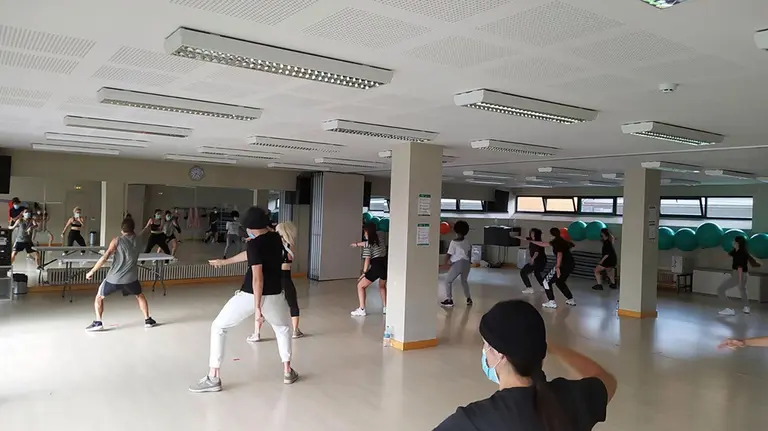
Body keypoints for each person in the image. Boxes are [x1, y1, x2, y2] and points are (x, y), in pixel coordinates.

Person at [434, 300, 615, 430]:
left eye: (485, 344)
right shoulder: (573, 399)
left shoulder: (473, 421)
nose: (484, 351)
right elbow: (606, 379)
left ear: (499, 354)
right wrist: (556, 348)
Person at [189, 206, 298, 393]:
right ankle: (288, 371)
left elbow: (257, 278)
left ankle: (213, 377)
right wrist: (225, 261)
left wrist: (257, 309)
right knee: (283, 329)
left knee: (219, 327)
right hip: (275, 295)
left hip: (251, 295)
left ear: (250, 227)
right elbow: (251, 255)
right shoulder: (275, 238)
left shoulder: (254, 244)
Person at [84, 217, 156, 331]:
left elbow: (105, 257)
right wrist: (148, 224)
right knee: (139, 295)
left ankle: (98, 322)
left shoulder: (117, 240)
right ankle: (148, 320)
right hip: (131, 279)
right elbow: (145, 231)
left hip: (114, 278)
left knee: (99, 297)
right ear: (133, 229)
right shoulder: (139, 239)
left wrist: (91, 271)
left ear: (122, 230)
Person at [248, 221, 303, 341]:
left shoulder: (272, 245)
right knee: (293, 304)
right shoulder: (290, 246)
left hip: (273, 277)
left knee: (262, 304)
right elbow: (290, 258)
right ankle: (295, 331)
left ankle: (256, 333)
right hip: (286, 278)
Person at [526, 228, 576, 309]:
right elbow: (543, 244)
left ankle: (551, 301)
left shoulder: (557, 242)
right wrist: (532, 241)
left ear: (552, 234)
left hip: (563, 265)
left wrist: (558, 267)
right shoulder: (559, 241)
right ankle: (570, 299)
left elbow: (559, 254)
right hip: (570, 265)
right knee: (560, 282)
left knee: (546, 281)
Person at [349, 222, 388, 317]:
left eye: (364, 231)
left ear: (367, 231)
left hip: (376, 267)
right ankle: (385, 308)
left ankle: (362, 309)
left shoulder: (368, 245)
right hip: (385, 266)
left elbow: (367, 259)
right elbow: (368, 242)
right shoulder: (381, 236)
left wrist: (364, 273)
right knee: (382, 286)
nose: (364, 233)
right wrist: (357, 244)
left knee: (360, 286)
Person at [716, 236, 760, 316]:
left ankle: (729, 309)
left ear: (737, 243)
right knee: (743, 290)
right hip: (745, 274)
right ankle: (746, 307)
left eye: (734, 241)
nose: (732, 242)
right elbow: (728, 255)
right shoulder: (738, 251)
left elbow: (740, 268)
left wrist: (739, 281)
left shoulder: (740, 254)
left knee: (720, 289)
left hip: (739, 274)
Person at [440, 220, 473, 307]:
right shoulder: (467, 241)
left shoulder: (453, 242)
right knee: (464, 281)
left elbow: (448, 254)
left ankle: (449, 300)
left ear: (455, 231)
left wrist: (445, 263)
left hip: (458, 263)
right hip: (466, 264)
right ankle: (469, 298)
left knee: (448, 281)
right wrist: (469, 262)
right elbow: (469, 252)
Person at [520, 228, 546, 295]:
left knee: (523, 272)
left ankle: (529, 288)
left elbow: (537, 252)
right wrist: (515, 236)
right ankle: (544, 287)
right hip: (540, 260)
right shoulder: (531, 240)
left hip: (538, 260)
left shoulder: (538, 242)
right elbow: (524, 238)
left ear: (536, 234)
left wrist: (533, 259)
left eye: (533, 233)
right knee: (537, 273)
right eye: (531, 233)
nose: (531, 234)